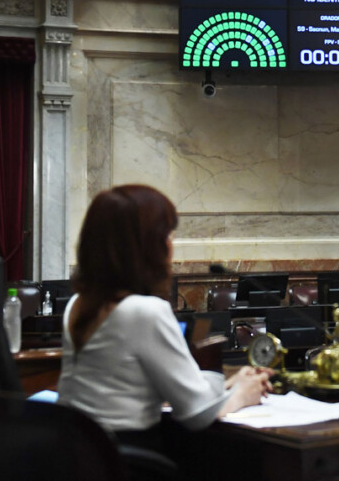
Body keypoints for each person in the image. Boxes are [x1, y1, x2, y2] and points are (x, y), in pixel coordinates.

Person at [56, 185, 272, 456]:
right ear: (147, 246)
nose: (171, 245)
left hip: (81, 460)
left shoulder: (78, 304)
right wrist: (243, 393)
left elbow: (131, 385)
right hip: (129, 463)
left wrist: (229, 383)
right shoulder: (144, 311)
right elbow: (197, 415)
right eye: (168, 235)